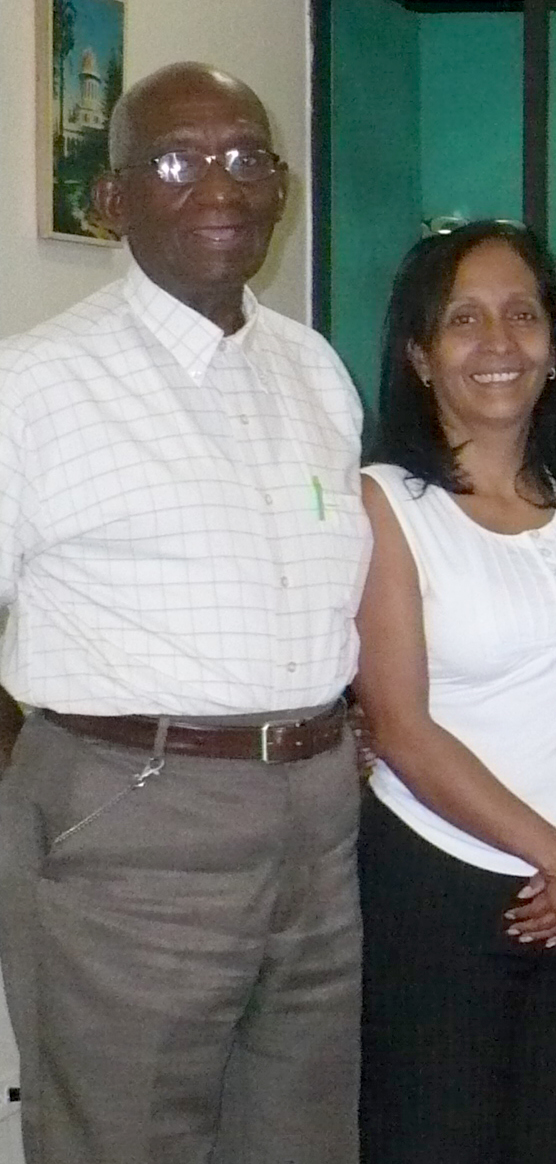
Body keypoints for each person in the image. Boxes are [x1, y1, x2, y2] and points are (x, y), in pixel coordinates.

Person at [0, 62, 371, 1164]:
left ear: (283, 186)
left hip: (315, 820)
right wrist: (56, 794)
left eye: (249, 157)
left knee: (301, 1141)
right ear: (111, 202)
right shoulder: (36, 384)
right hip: (130, 821)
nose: (222, 186)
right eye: (177, 160)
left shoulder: (313, 367)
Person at [353, 220, 556, 1164]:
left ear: (554, 344)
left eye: (522, 315)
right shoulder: (386, 502)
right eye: (464, 319)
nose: (499, 343)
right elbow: (402, 728)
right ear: (419, 353)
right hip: (436, 884)